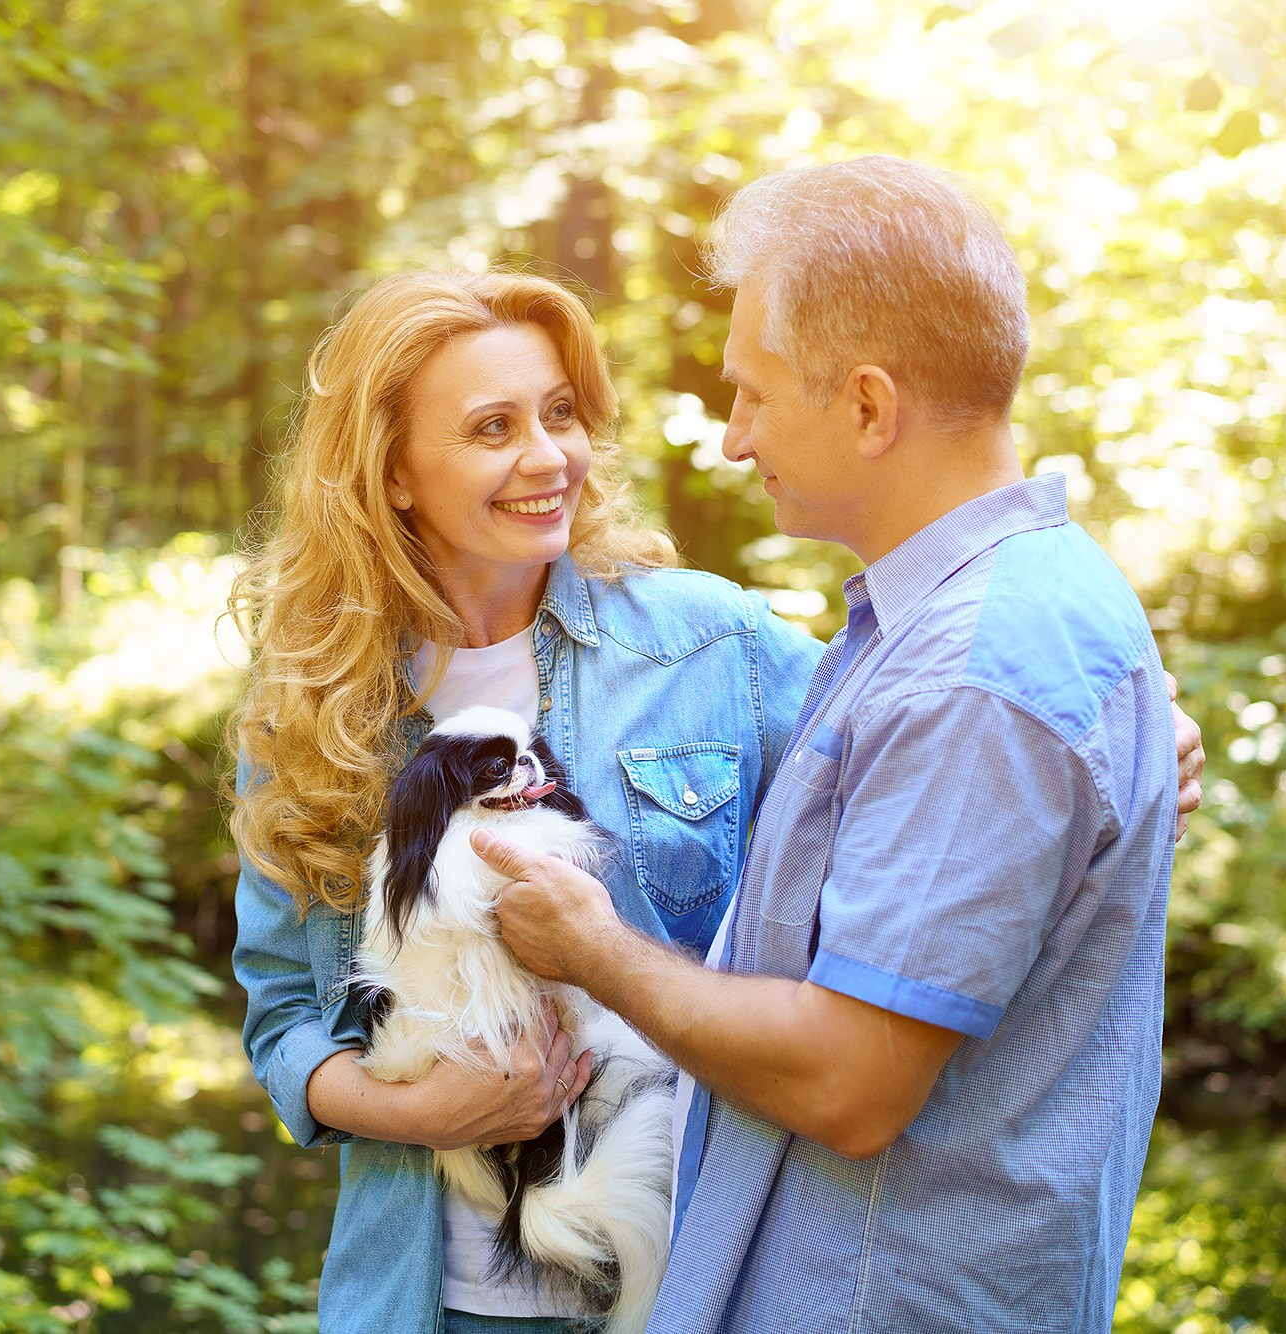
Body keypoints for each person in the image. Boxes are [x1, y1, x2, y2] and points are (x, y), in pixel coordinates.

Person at [229, 265, 1204, 1332]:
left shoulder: (707, 642)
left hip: (680, 1285)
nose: (547, 455)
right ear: (394, 470)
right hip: (419, 1297)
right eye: (491, 427)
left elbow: (931, 757)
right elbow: (283, 1012)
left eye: (559, 414)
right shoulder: (315, 706)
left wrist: (1131, 730)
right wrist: (407, 1109)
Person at [476, 156, 1184, 1333]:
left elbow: (847, 1083)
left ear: (866, 404)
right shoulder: (962, 623)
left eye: (751, 394)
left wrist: (596, 952)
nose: (733, 441)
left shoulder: (974, 675)